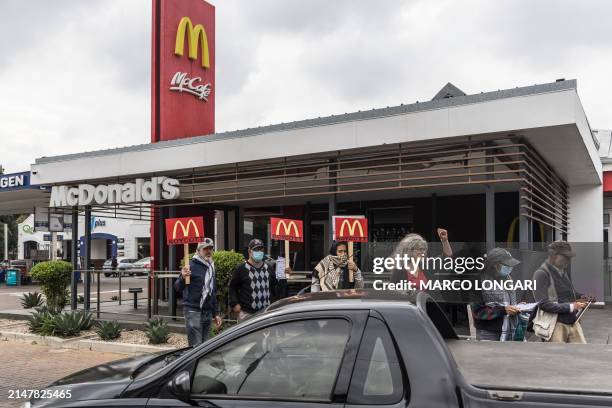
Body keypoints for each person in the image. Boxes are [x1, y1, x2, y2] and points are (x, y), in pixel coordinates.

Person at [533, 241, 592, 344]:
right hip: (555, 325)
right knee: (558, 358)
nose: (568, 260)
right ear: (554, 255)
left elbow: (570, 293)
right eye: (565, 256)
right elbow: (542, 303)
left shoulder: (563, 272)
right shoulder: (541, 274)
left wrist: (583, 296)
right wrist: (571, 307)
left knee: (582, 354)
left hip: (573, 322)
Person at [229, 238, 291, 322]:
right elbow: (232, 287)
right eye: (256, 249)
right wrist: (235, 304)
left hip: (265, 313)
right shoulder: (241, 269)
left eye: (261, 249)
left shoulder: (269, 268)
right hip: (247, 314)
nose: (259, 252)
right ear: (249, 251)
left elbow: (276, 288)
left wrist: (284, 276)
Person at [175, 238, 222, 346]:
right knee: (196, 348)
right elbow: (177, 287)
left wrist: (216, 313)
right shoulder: (190, 265)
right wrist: (182, 277)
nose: (209, 251)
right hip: (193, 311)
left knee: (205, 348)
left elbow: (212, 291)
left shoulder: (211, 266)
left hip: (207, 312)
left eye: (210, 248)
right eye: (205, 249)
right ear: (198, 250)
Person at [472, 247, 524, 341]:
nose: (510, 268)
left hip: (509, 329)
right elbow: (477, 312)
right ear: (495, 264)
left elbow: (508, 303)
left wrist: (517, 307)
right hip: (488, 333)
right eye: (506, 265)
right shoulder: (478, 281)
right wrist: (503, 310)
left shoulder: (508, 279)